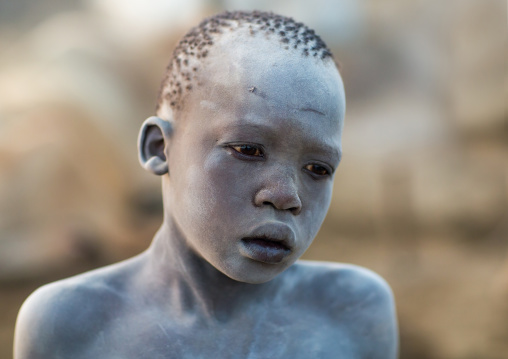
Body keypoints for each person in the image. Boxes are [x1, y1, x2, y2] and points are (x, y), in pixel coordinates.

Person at [14, 10, 398, 358]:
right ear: (159, 148)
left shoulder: (352, 312)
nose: (286, 196)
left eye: (318, 168)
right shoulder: (67, 325)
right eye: (247, 150)